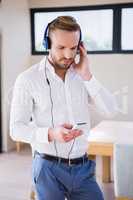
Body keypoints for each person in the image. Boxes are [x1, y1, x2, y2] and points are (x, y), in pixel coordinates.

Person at [10, 16, 118, 200]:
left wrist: (87, 75)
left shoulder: (82, 76)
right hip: (47, 168)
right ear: (47, 43)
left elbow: (111, 109)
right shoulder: (27, 79)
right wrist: (51, 133)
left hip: (83, 167)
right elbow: (16, 129)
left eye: (73, 48)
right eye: (61, 48)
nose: (68, 55)